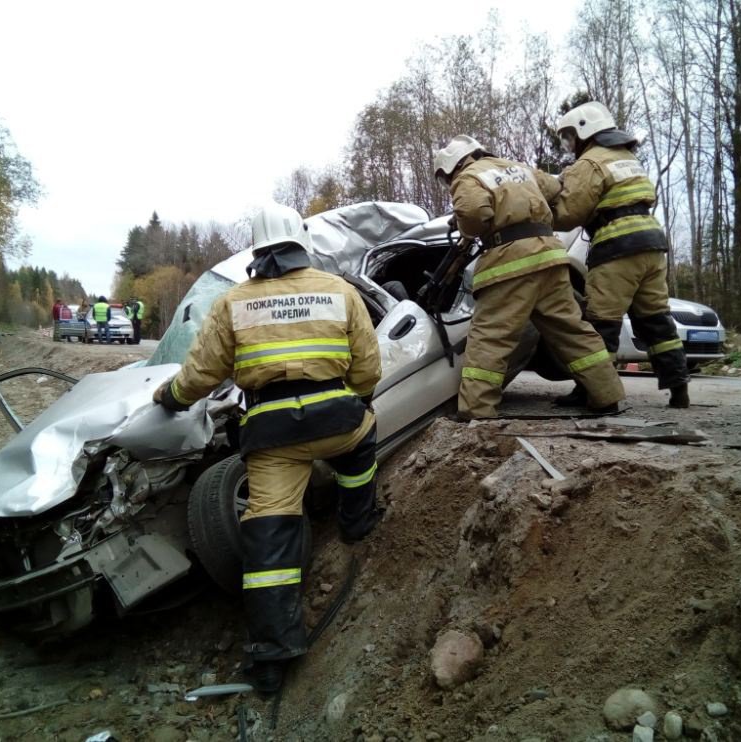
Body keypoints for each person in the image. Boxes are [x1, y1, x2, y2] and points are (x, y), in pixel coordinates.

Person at [153, 203, 382, 693]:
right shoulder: (340, 291)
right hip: (336, 418)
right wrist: (354, 402)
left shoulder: (235, 302)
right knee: (362, 444)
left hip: (273, 436)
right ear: (302, 242)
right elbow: (368, 368)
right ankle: (357, 523)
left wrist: (167, 396)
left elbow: (200, 375)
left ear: (256, 249)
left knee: (269, 533)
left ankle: (272, 659)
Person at [432, 134, 625, 419]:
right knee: (572, 330)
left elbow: (473, 215)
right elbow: (555, 186)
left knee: (491, 337)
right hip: (550, 257)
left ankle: (476, 409)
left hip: (510, 264)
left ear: (451, 167)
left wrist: (467, 222)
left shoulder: (468, 176)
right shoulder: (517, 167)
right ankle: (606, 395)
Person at [551, 101, 689, 408]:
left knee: (602, 323)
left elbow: (569, 214)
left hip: (617, 248)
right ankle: (679, 387)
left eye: (571, 136)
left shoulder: (589, 163)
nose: (571, 144)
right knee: (656, 320)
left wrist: (548, 203)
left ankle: (594, 392)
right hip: (652, 244)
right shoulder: (628, 157)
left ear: (586, 131)